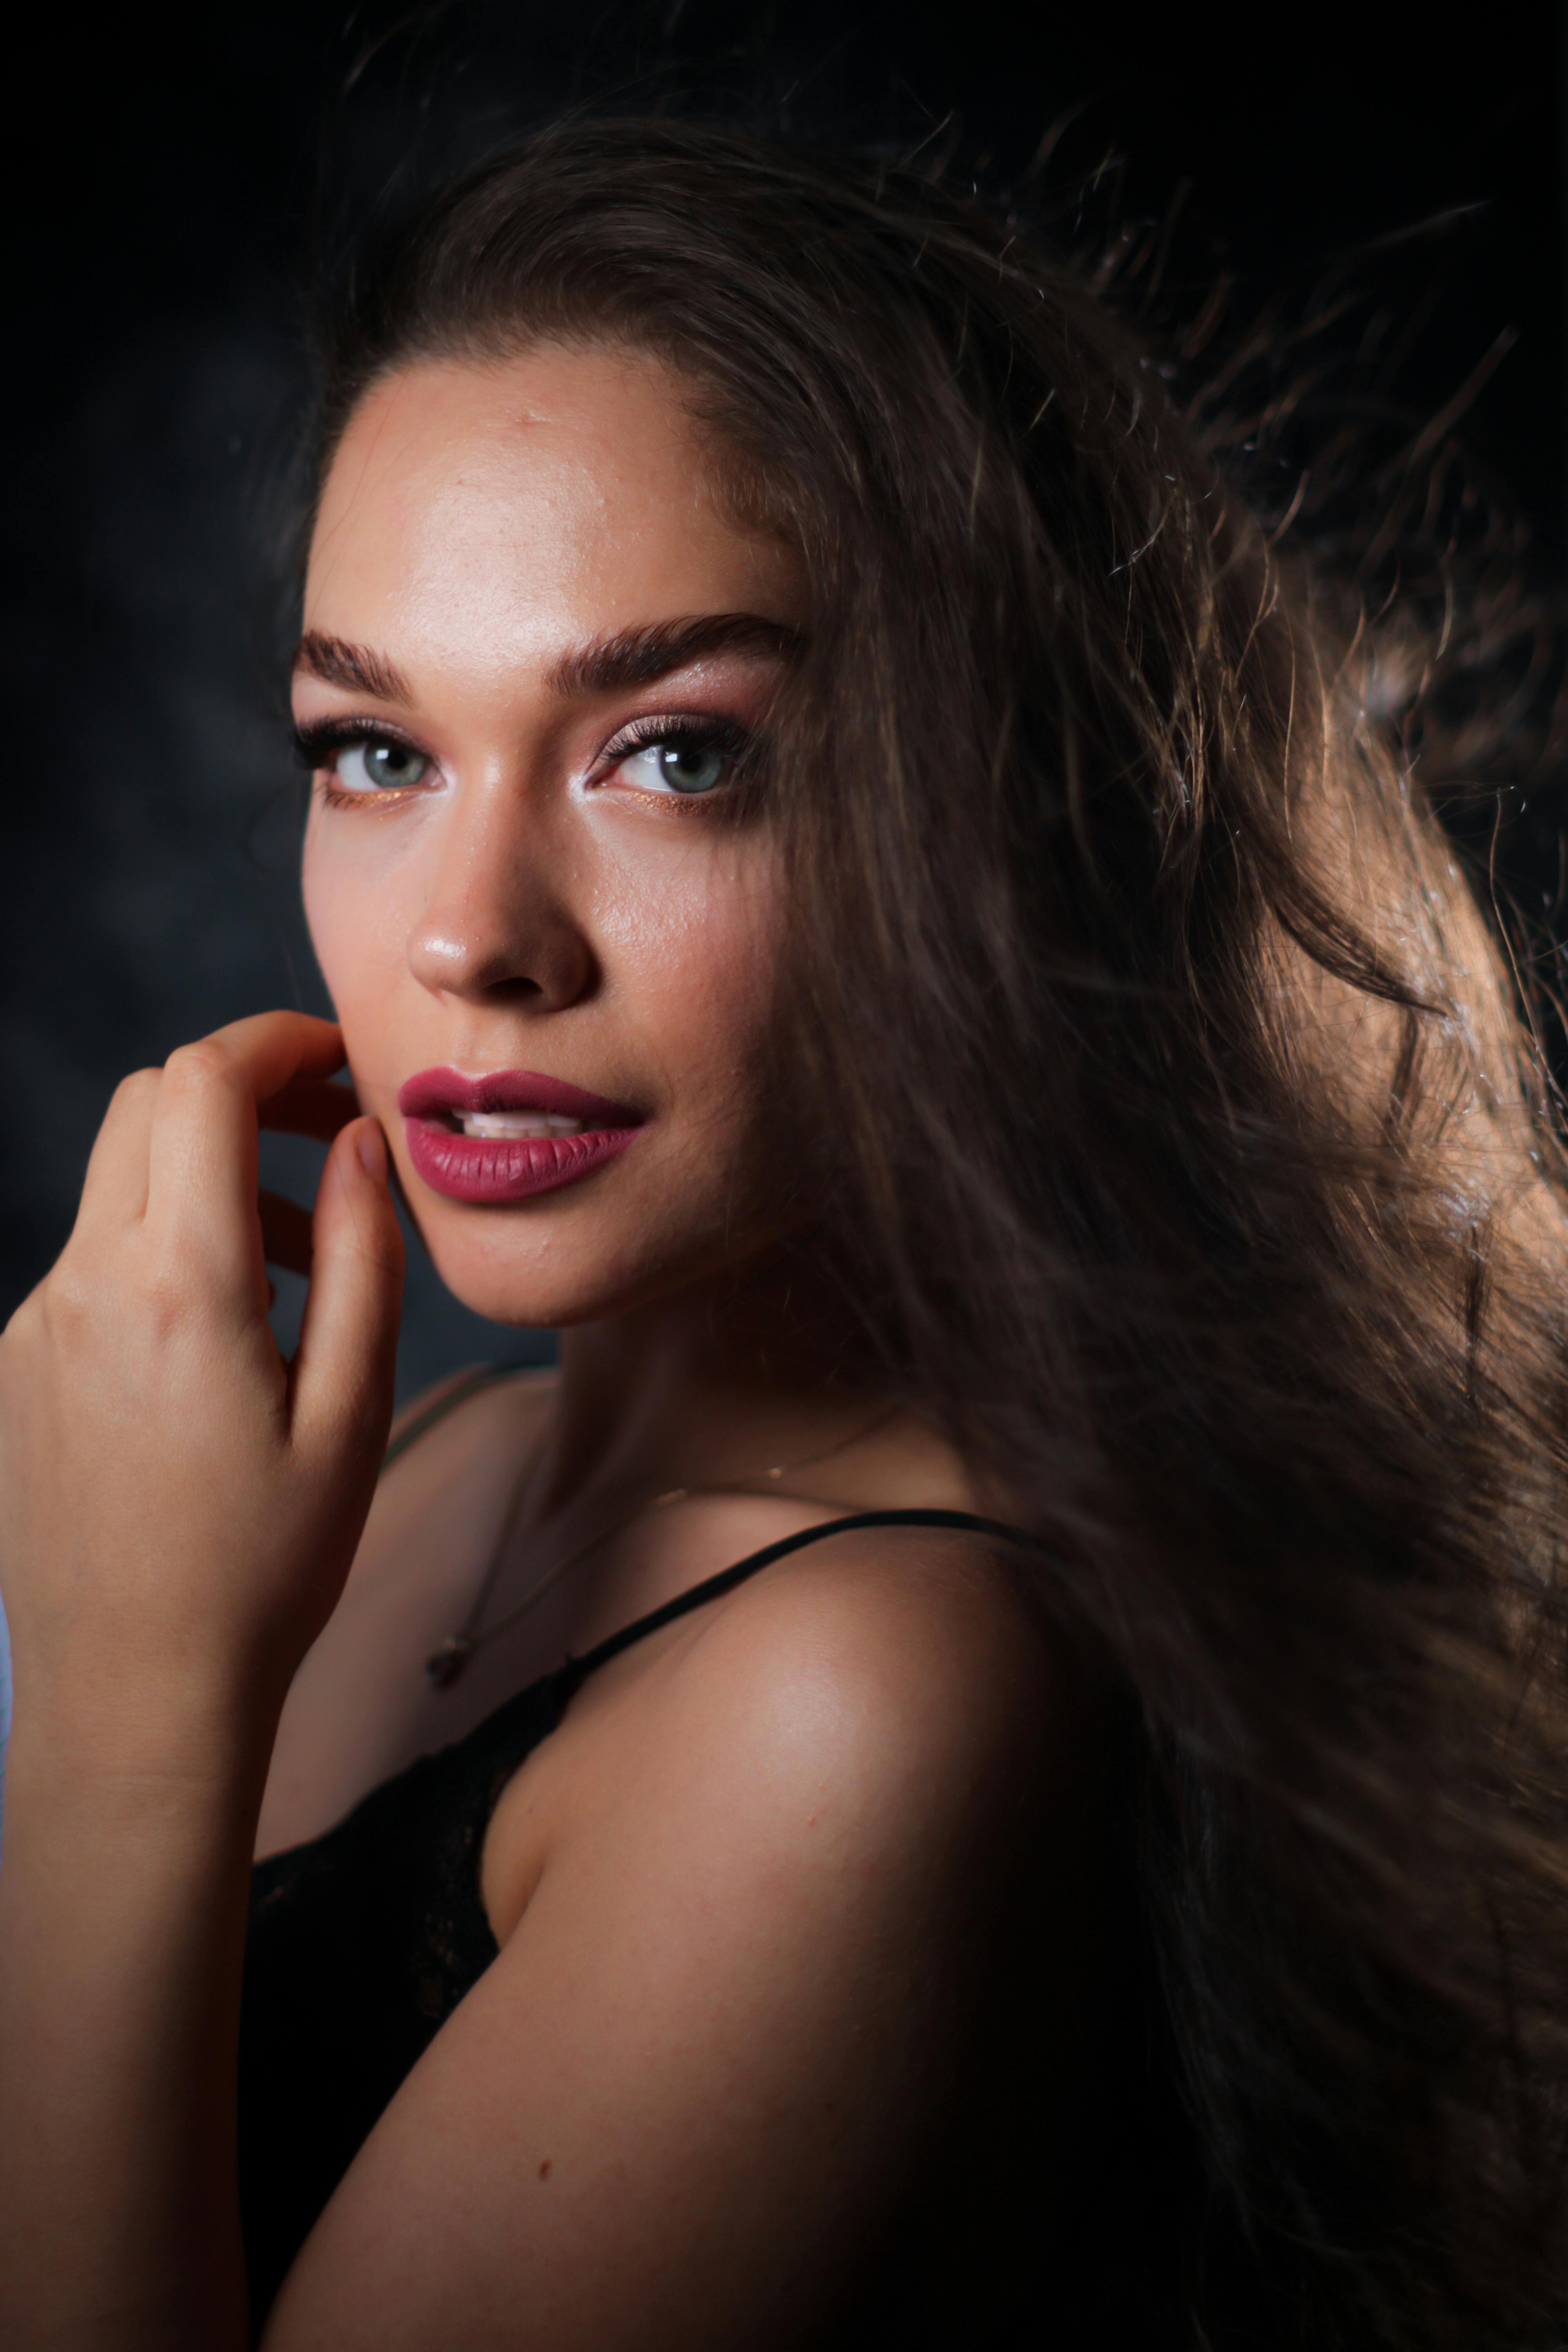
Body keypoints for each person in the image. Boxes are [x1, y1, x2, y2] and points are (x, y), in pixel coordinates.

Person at [2, 115, 1566, 2352]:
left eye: (677, 755)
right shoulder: (418, 1478)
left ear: (992, 808)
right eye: (376, 751)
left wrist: (118, 1732)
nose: (476, 942)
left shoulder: (880, 1702)